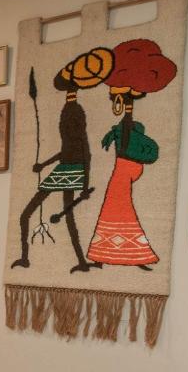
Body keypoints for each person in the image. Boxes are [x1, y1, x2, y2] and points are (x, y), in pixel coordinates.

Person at [11, 48, 113, 271]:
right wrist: (44, 164)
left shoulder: (74, 110)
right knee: (38, 215)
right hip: (66, 166)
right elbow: (68, 148)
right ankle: (28, 258)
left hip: (72, 169)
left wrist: (84, 184)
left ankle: (79, 261)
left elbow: (83, 146)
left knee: (52, 215)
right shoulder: (68, 109)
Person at [87, 39, 178, 269]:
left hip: (126, 166)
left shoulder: (128, 126)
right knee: (116, 205)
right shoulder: (125, 126)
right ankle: (111, 254)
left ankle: (123, 254)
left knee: (117, 204)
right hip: (126, 165)